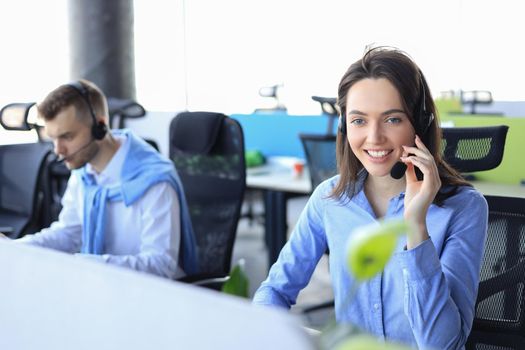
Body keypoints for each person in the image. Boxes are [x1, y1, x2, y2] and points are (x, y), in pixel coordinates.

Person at [252, 47, 488, 349]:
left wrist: (415, 226)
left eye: (392, 120)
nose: (374, 137)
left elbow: (443, 345)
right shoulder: (329, 199)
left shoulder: (464, 209)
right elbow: (274, 290)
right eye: (359, 121)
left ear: (421, 123)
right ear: (343, 126)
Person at [1, 79, 198, 279]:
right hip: (104, 285)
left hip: (151, 295)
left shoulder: (154, 182)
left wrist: (84, 264)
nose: (58, 151)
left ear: (100, 127)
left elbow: (160, 266)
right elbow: (69, 233)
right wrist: (15, 249)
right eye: (53, 138)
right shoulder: (83, 172)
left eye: (67, 137)